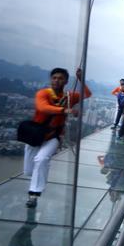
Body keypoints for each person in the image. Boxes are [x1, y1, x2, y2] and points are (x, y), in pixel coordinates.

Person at [24, 67, 91, 208]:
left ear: (66, 81)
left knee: (41, 159)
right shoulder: (43, 93)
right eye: (54, 78)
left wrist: (81, 79)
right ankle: (42, 170)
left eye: (60, 78)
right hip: (35, 134)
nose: (56, 80)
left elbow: (87, 94)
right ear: (50, 79)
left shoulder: (69, 97)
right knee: (29, 170)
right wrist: (65, 110)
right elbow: (43, 108)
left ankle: (34, 195)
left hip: (53, 135)